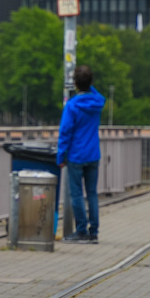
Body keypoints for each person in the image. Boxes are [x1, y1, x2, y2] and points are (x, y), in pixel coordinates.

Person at [56, 65, 106, 243]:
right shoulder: (98, 102)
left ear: (75, 84)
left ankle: (81, 231)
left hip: (76, 155)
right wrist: (87, 84)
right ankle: (94, 232)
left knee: (77, 195)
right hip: (93, 154)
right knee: (92, 193)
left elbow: (65, 132)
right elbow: (97, 93)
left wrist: (61, 156)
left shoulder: (72, 106)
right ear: (91, 83)